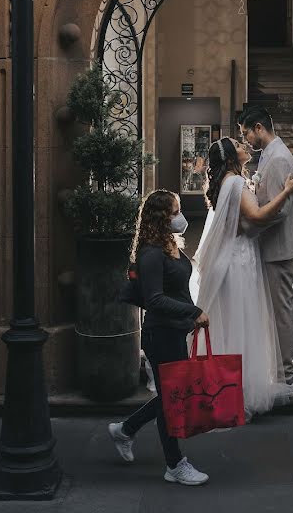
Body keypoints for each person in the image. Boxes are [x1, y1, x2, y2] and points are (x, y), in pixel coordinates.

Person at [107, 190, 211, 486]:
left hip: (175, 331)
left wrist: (187, 318)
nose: (181, 216)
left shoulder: (170, 246)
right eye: (175, 211)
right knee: (171, 401)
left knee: (170, 396)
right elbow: (154, 299)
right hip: (160, 335)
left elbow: (176, 289)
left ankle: (125, 430)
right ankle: (175, 465)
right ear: (162, 217)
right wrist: (193, 311)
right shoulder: (151, 253)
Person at [193, 136, 293, 418]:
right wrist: (286, 192)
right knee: (241, 323)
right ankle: (239, 394)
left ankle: (225, 389)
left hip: (229, 258)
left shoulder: (223, 183)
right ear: (231, 158)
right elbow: (258, 215)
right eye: (238, 146)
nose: (244, 147)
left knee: (229, 324)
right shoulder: (236, 183)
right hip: (237, 262)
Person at [238, 106, 293, 395]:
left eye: (246, 134)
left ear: (258, 128)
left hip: (279, 246)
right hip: (274, 245)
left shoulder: (278, 159)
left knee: (280, 312)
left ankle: (285, 377)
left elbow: (280, 211)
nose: (245, 140)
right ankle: (278, 369)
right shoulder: (268, 154)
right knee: (275, 311)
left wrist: (249, 227)